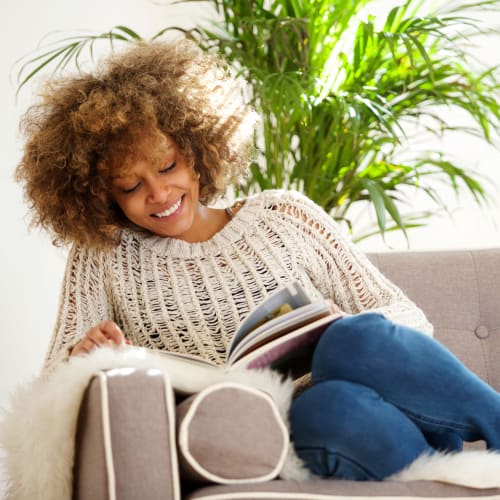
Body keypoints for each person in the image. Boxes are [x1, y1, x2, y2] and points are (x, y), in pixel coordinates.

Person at [15, 37, 500, 482]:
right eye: (130, 185)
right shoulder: (103, 256)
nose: (159, 193)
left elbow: (403, 315)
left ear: (198, 147)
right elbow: (50, 400)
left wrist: (330, 335)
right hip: (289, 430)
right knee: (331, 408)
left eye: (168, 167)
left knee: (352, 338)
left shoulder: (285, 214)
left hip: (372, 391)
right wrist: (80, 358)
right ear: (100, 195)